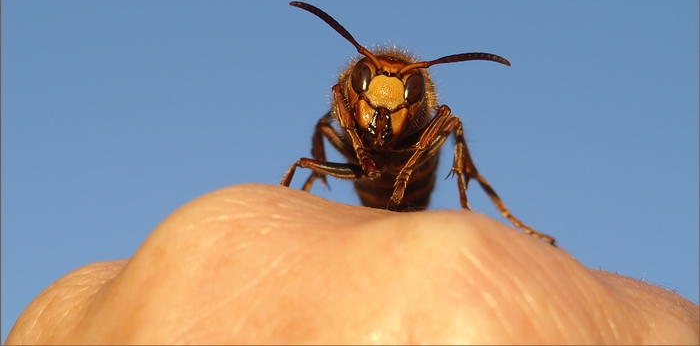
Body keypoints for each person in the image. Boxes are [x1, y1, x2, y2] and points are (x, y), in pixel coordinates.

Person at [6, 184, 699, 344]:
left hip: (420, 201)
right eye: (374, 90)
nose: (384, 103)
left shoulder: (430, 120)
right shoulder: (348, 112)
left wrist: (485, 221)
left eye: (401, 93)